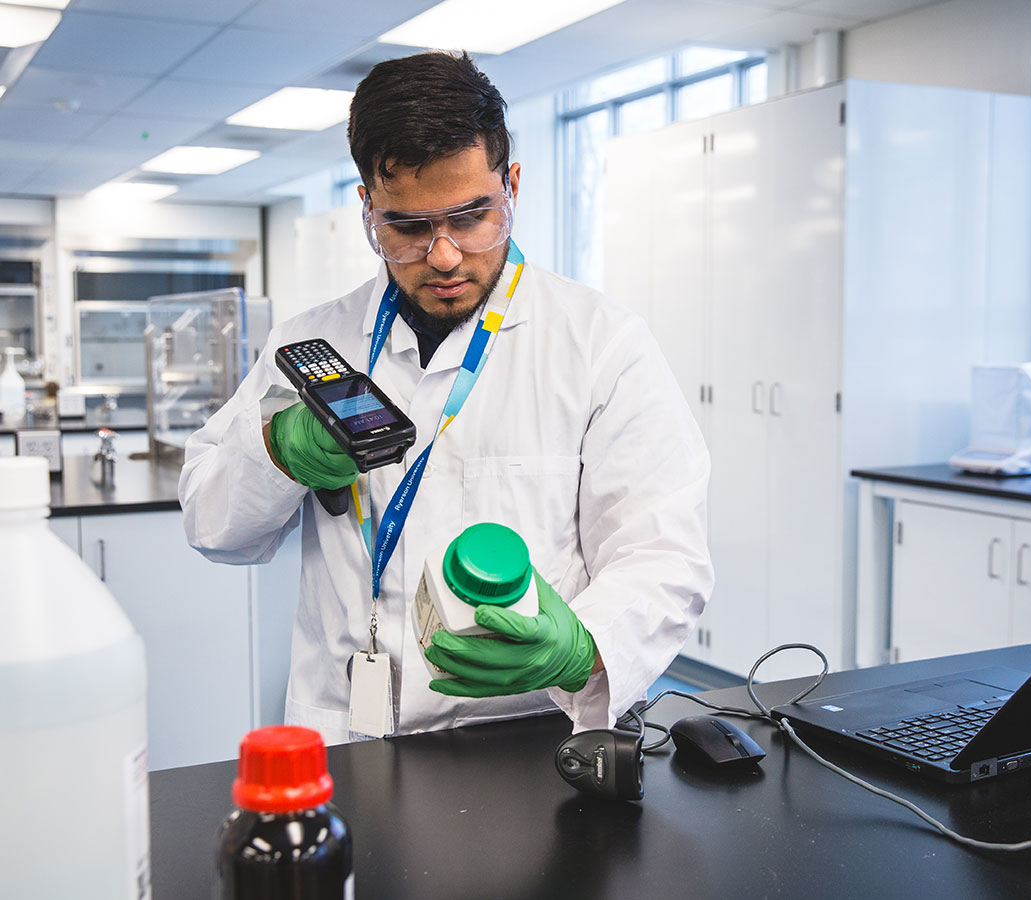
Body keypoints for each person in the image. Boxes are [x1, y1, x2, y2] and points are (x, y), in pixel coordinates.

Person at [179, 51, 712, 745]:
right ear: (368, 208)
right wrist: (278, 451)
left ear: (511, 185)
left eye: (471, 217)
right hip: (352, 740)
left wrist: (583, 646)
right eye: (407, 227)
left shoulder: (601, 344)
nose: (445, 256)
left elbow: (664, 552)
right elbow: (213, 525)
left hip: (530, 736)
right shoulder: (312, 344)